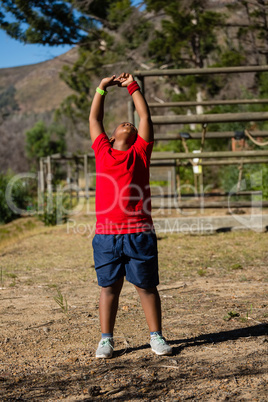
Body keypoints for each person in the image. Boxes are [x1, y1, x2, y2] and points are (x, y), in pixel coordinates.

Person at [89, 72, 172, 358]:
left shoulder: (140, 153)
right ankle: (105, 339)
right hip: (107, 236)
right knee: (109, 288)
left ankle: (156, 336)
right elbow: (94, 120)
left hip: (139, 234)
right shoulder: (102, 151)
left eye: (133, 126)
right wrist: (101, 88)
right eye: (122, 125)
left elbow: (145, 117)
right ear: (110, 138)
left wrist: (132, 87)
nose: (129, 123)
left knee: (146, 287)